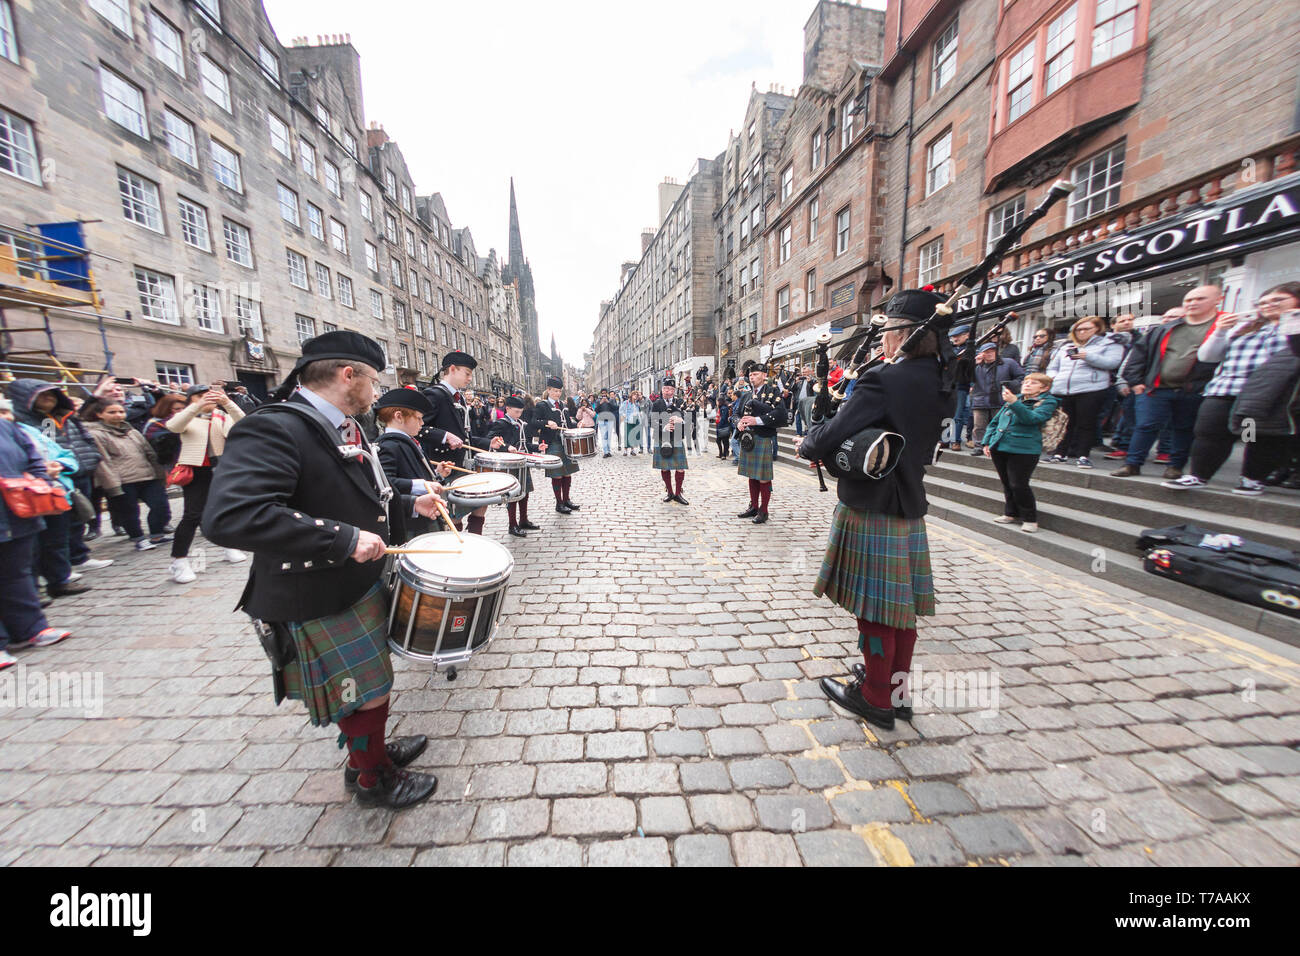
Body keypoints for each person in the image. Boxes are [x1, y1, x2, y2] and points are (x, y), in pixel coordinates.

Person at [202, 331, 445, 810]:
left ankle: (368, 752)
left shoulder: (344, 425)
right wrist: (343, 539)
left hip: (353, 581)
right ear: (347, 374)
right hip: (316, 589)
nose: (376, 394)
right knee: (364, 690)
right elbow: (231, 515)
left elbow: (352, 493)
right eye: (373, 382)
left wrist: (408, 501)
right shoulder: (276, 427)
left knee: (372, 685)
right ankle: (373, 778)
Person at [797, 289, 954, 731]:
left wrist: (809, 443)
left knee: (877, 611)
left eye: (886, 331)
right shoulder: (942, 382)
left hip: (873, 503)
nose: (881, 340)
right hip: (909, 503)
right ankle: (896, 694)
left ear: (904, 335)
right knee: (900, 610)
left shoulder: (884, 380)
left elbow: (836, 432)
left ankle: (874, 698)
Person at [1164, 282, 1299, 494]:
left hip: (1262, 394)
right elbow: (1208, 357)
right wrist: (1220, 331)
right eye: (1263, 302)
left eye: (1278, 300)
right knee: (1209, 433)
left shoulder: (1294, 326)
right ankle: (1198, 475)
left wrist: (1293, 319)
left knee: (1252, 437)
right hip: (1225, 388)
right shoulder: (1246, 326)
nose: (1269, 305)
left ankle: (1251, 478)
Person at [1113, 285, 1230, 479]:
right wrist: (1135, 382)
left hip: (1194, 390)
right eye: (1189, 300)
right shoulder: (1163, 330)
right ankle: (1132, 464)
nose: (1193, 303)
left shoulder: (1225, 326)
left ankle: (1175, 466)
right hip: (1155, 388)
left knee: (1184, 428)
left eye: (1200, 299)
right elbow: (1138, 357)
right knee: (1145, 426)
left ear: (1218, 299)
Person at [8, 379, 112, 575]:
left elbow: (85, 439)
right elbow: (47, 451)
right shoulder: (26, 424)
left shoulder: (66, 416)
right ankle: (59, 570)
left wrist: (89, 459)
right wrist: (56, 466)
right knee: (56, 530)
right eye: (42, 395)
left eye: (52, 394)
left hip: (78, 472)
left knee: (76, 521)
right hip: (53, 478)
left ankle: (78, 557)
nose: (49, 398)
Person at [0, 411, 73, 669]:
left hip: (17, 512)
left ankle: (31, 629)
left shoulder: (7, 428)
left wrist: (40, 481)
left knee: (18, 573)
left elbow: (33, 459)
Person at [1, 397, 85, 599]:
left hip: (47, 492)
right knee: (29, 549)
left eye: (6, 412)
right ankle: (33, 591)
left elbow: (65, 454)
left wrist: (59, 465)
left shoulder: (29, 431)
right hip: (16, 498)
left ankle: (59, 581)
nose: (5, 418)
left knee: (57, 540)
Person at [165, 384, 246, 583]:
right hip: (196, 470)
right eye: (199, 395)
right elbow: (173, 426)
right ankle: (179, 560)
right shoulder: (188, 417)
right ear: (190, 398)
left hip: (221, 467)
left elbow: (245, 424)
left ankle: (229, 545)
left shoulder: (221, 416)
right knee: (192, 515)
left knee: (225, 510)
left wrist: (227, 403)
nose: (207, 398)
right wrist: (197, 405)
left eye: (209, 395)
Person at [419, 352, 505, 534]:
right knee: (454, 514)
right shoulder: (434, 394)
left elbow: (463, 438)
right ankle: (460, 547)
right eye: (466, 373)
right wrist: (444, 436)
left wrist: (489, 443)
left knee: (481, 504)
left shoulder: (455, 398)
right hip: (444, 466)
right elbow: (417, 428)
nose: (469, 378)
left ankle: (475, 540)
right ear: (452, 369)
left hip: (463, 464)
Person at [84, 401, 172, 551]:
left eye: (120, 411)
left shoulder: (133, 431)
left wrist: (160, 473)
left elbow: (149, 452)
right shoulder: (95, 434)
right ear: (99, 414)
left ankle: (156, 534)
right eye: (112, 412)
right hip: (122, 480)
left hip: (148, 476)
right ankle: (138, 538)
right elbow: (103, 461)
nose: (118, 415)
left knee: (161, 506)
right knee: (129, 512)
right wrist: (112, 484)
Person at [982, 372, 1060, 533]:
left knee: (1019, 484)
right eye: (1026, 381)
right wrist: (987, 441)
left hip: (1025, 449)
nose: (1027, 384)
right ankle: (1010, 513)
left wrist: (1014, 403)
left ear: (1044, 387)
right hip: (1000, 446)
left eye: (1033, 382)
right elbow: (995, 421)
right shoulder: (1016, 397)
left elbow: (1031, 419)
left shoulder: (1048, 402)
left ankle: (1030, 518)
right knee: (1007, 482)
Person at [1042, 316, 1122, 468]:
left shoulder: (1109, 344)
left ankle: (1083, 455)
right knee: (1063, 423)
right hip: (1063, 388)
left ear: (1097, 329)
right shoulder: (1066, 346)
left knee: (1086, 423)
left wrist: (1088, 356)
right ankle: (1059, 454)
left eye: (1087, 329)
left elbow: (1112, 363)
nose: (1082, 332)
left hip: (1091, 388)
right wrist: (1054, 378)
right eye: (1079, 329)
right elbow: (1053, 367)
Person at [374, 389, 454, 539]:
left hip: (424, 516)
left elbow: (411, 472)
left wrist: (436, 474)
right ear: (399, 417)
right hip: (412, 523)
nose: (422, 423)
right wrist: (422, 485)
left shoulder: (406, 441)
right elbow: (384, 483)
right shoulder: (388, 446)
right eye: (418, 418)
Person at [734, 360, 788, 524]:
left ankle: (764, 511)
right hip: (747, 439)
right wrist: (738, 422)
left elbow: (781, 415)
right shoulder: (746, 395)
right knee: (752, 475)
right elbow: (735, 413)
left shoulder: (772, 392)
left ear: (764, 376)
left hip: (763, 438)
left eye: (755, 374)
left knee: (763, 477)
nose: (752, 377)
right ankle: (754, 507)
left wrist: (756, 420)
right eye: (750, 374)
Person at [490, 395, 547, 536]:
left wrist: (537, 447)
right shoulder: (501, 423)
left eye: (520, 412)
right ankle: (512, 524)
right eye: (516, 412)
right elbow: (491, 440)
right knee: (513, 495)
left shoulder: (521, 423)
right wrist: (507, 447)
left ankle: (523, 520)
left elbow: (524, 443)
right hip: (509, 463)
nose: (519, 415)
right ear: (507, 409)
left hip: (522, 461)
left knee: (525, 492)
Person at [534, 376, 582, 513]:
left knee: (567, 473)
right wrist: (546, 423)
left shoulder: (563, 405)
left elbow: (567, 423)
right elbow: (533, 422)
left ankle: (566, 499)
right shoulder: (542, 405)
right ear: (548, 390)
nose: (557, 394)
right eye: (555, 391)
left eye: (559, 391)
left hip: (566, 442)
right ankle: (559, 503)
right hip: (552, 442)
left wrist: (576, 425)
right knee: (557, 474)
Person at [968, 342, 1025, 452]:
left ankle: (997, 446)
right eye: (986, 352)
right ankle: (979, 447)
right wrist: (974, 364)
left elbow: (1021, 377)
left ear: (996, 352)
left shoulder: (1008, 363)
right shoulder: (976, 365)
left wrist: (1008, 385)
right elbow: (965, 377)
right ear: (981, 354)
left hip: (1000, 399)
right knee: (979, 426)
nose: (989, 354)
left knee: (1001, 425)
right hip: (980, 399)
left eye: (992, 351)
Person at [651, 377, 689, 505]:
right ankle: (670, 492)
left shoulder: (679, 402)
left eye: (670, 389)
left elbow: (687, 417)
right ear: (662, 390)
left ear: (674, 391)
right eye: (665, 389)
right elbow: (652, 422)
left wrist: (681, 420)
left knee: (680, 467)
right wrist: (664, 427)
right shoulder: (657, 404)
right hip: (662, 438)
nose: (668, 391)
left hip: (677, 436)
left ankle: (678, 494)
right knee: (665, 467)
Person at [946, 325, 975, 450]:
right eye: (953, 336)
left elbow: (972, 370)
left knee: (957, 416)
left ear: (967, 335)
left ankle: (955, 441)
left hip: (961, 385)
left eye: (957, 336)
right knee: (946, 414)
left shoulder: (972, 350)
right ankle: (945, 439)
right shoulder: (951, 349)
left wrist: (972, 385)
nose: (954, 339)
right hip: (948, 385)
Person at [596, 390, 619, 457]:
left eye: (605, 393)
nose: (604, 394)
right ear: (601, 394)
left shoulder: (611, 400)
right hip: (601, 420)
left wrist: (608, 402)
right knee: (604, 436)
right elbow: (596, 410)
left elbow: (615, 408)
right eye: (602, 393)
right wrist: (601, 403)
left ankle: (608, 451)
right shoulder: (598, 401)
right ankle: (605, 452)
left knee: (609, 436)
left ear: (607, 393)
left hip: (609, 420)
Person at [619, 390, 642, 456]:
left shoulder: (637, 403)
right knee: (627, 435)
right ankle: (625, 450)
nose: (635, 396)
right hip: (628, 420)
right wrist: (624, 415)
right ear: (631, 395)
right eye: (634, 395)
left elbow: (639, 411)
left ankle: (632, 450)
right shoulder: (626, 402)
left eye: (636, 395)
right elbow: (621, 410)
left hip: (636, 420)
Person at [715, 389, 734, 459]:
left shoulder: (724, 408)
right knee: (718, 440)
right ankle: (721, 453)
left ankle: (724, 454)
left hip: (724, 426)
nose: (716, 403)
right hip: (719, 426)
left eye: (717, 401)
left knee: (725, 441)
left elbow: (723, 418)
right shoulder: (720, 408)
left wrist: (719, 425)